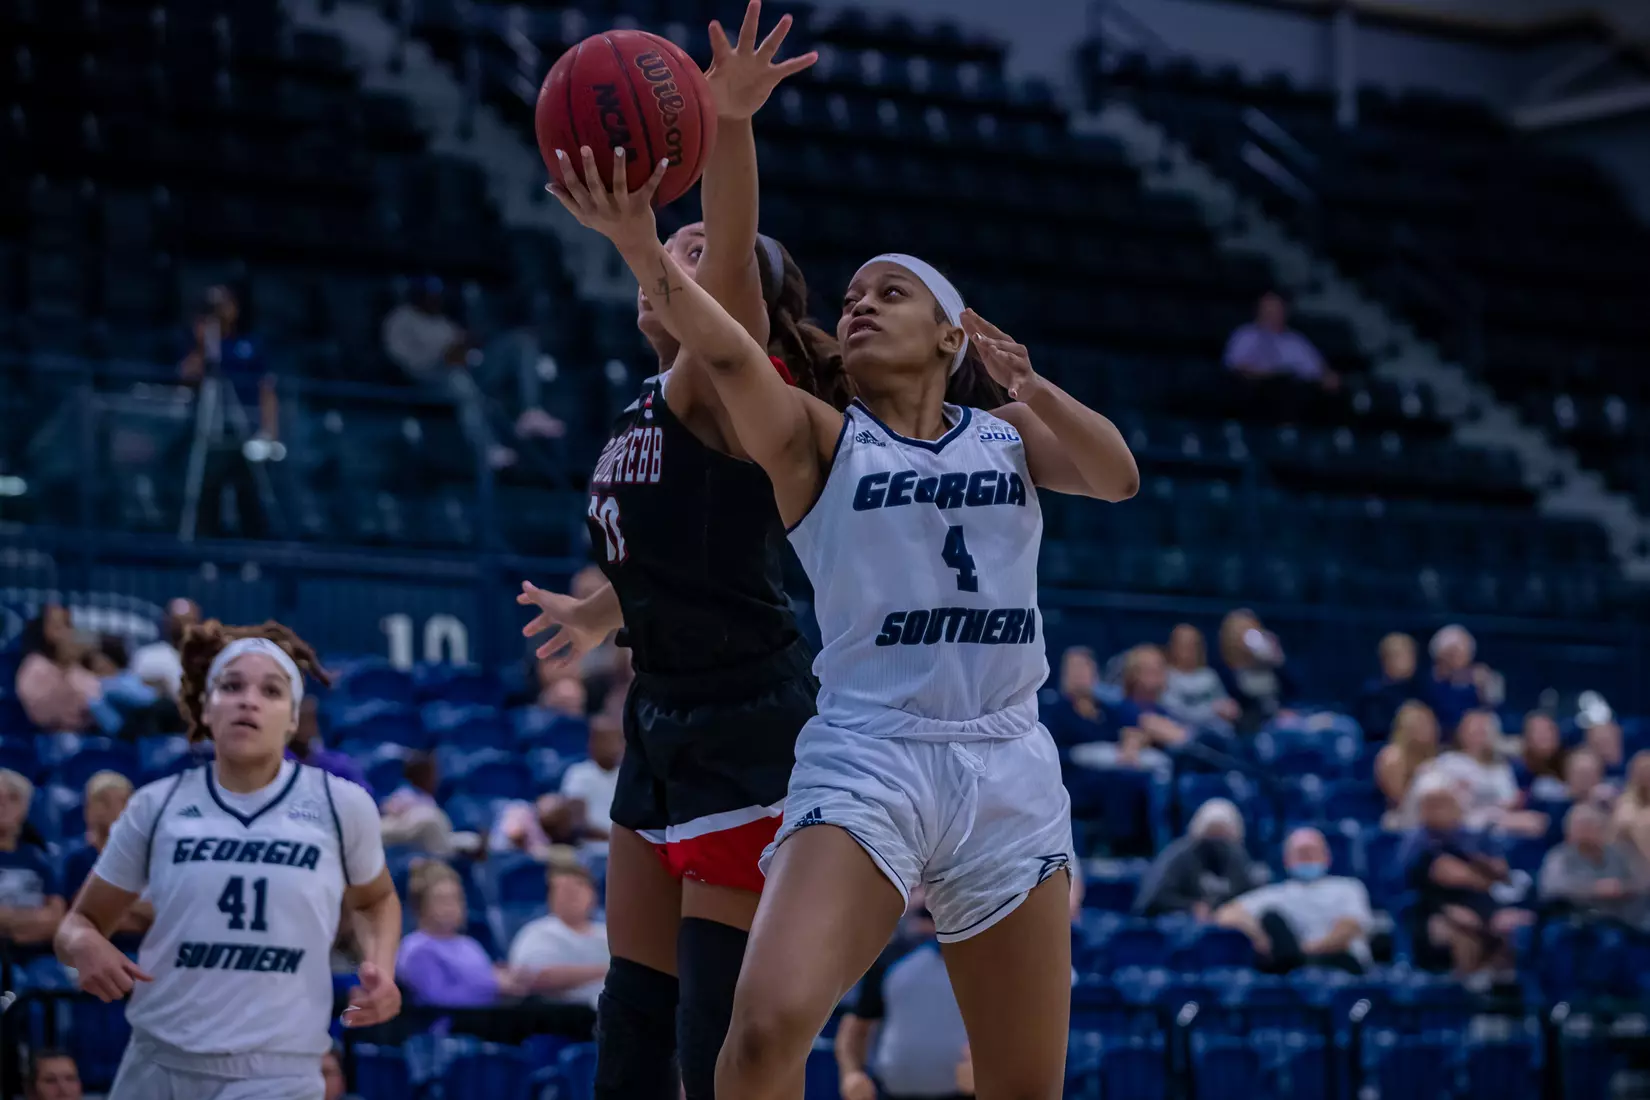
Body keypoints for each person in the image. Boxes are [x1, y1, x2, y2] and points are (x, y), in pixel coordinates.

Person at [548, 110, 1138, 1100]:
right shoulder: (825, 442)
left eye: (891, 292)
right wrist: (647, 241)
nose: (861, 304)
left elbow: (1116, 477)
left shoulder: (1007, 437)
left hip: (1007, 762)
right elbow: (733, 355)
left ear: (952, 333)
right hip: (870, 753)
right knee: (764, 1027)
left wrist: (1033, 383)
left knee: (1025, 1084)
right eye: (854, 294)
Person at [514, 9, 827, 1098]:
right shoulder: (649, 399)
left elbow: (730, 267)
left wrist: (726, 126)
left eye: (697, 254)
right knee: (631, 1027)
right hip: (664, 721)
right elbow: (672, 543)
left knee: (709, 1042)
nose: (680, 256)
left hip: (750, 727)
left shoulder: (725, 382)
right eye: (673, 249)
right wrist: (608, 611)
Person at [53, 621, 403, 1100]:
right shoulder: (157, 805)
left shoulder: (340, 804)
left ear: (293, 718)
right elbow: (77, 924)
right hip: (158, 1060)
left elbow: (377, 898)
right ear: (206, 707)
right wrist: (85, 945)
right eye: (231, 686)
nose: (248, 700)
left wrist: (381, 968)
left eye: (271, 690)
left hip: (277, 1069)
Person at [836, 893, 972, 1100]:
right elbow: (854, 1030)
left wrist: (990, 1072)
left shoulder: (985, 964)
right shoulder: (892, 957)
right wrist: (851, 1075)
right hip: (891, 1094)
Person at [1401, 774, 1532, 979]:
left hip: (1486, 905)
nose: (1440, 810)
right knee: (1462, 930)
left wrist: (1485, 879)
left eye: (1445, 804)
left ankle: (1503, 995)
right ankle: (1466, 993)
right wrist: (1480, 879)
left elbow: (1500, 872)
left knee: (1515, 925)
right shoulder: (1419, 842)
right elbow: (1450, 875)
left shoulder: (1472, 838)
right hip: (1436, 909)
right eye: (1433, 806)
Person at [1215, 826, 1372, 974]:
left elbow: (1350, 927)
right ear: (1287, 860)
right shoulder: (1277, 893)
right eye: (1300, 853)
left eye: (1311, 852)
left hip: (1340, 963)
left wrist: (1307, 951)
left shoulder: (1348, 888)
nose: (1306, 857)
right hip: (1293, 965)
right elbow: (1225, 914)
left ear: (1326, 857)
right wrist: (1259, 935)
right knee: (1271, 919)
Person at [397, 860, 524, 1007]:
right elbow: (437, 1000)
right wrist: (494, 986)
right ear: (420, 905)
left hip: (487, 1021)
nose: (450, 908)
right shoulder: (416, 949)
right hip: (446, 1026)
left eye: (456, 899)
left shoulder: (470, 944)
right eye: (441, 900)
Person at [60, 772, 153, 942]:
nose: (111, 808)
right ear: (89, 808)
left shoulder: (146, 858)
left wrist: (111, 902)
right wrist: (137, 913)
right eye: (102, 801)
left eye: (124, 800)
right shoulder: (78, 859)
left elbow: (159, 911)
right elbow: (85, 919)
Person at [507, 855, 611, 1007]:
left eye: (579, 887)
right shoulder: (537, 932)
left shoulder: (607, 934)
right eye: (564, 890)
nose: (572, 895)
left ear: (593, 895)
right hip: (561, 1015)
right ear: (550, 897)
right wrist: (608, 971)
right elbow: (532, 979)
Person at [1134, 798, 1262, 919]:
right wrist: (1190, 907)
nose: (1217, 843)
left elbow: (1252, 897)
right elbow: (1151, 900)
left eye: (1224, 835)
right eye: (1212, 833)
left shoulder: (1238, 859)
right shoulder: (1179, 857)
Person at [1428, 709, 1547, 836]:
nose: (1479, 734)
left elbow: (1508, 801)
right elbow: (1443, 803)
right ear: (1462, 733)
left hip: (1499, 821)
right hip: (1464, 824)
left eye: (1483, 730)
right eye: (1474, 730)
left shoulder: (1500, 767)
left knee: (1537, 822)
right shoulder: (1449, 761)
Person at [1538, 803, 1647, 926]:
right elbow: (1551, 887)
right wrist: (1595, 888)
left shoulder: (1617, 853)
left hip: (1619, 919)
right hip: (1574, 919)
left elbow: (1642, 882)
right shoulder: (1559, 856)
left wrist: (1623, 887)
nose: (1585, 833)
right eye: (1580, 827)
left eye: (1589, 827)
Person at [0, 768, 65, 951]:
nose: (3, 805)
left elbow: (56, 918)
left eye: (13, 798)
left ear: (25, 808)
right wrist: (32, 918)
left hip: (35, 954)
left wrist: (10, 925)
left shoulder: (39, 859)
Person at [1222, 290, 1337, 389]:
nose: (1272, 314)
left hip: (1297, 395)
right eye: (1268, 309)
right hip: (1257, 393)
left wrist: (1328, 378)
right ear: (1259, 311)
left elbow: (1319, 370)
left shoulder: (1296, 340)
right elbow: (1235, 366)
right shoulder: (1245, 335)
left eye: (1277, 309)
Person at [1214, 609, 1297, 734]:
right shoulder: (1226, 672)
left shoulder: (1271, 666)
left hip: (1281, 724)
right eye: (1240, 631)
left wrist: (1279, 660)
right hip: (1251, 730)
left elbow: (1294, 691)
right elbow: (1233, 706)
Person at [559, 710, 623, 848]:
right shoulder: (579, 774)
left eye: (616, 740)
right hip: (590, 848)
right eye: (606, 740)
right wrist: (610, 837)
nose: (613, 747)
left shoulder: (626, 776)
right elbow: (577, 824)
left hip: (621, 848)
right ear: (592, 743)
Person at [1161, 623, 1239, 731]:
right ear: (1173, 647)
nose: (1190, 651)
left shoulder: (1209, 675)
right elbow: (1177, 713)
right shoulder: (1167, 677)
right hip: (1188, 735)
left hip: (1220, 732)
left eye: (1194, 645)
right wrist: (1212, 711)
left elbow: (1225, 703)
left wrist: (1231, 709)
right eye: (1185, 645)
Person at [1375, 700, 1439, 825]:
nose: (1426, 729)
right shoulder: (1393, 757)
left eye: (1428, 724)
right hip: (1400, 817)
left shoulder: (1435, 757)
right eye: (1420, 724)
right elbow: (1399, 800)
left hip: (1432, 815)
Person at [1421, 624, 1491, 734]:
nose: (1459, 659)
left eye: (1465, 653)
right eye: (1453, 654)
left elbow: (1492, 709)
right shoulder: (1430, 683)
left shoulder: (1476, 680)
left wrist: (1483, 689)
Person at [130, 598, 201, 701]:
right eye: (178, 621)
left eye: (190, 621)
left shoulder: (208, 658)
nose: (185, 627)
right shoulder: (148, 656)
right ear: (167, 621)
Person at [1355, 632, 1418, 742]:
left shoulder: (1420, 690)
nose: (1410, 661)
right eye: (1402, 655)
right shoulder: (1373, 694)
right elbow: (1375, 731)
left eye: (1411, 655)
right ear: (1386, 660)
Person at [1513, 711, 1568, 801]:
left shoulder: (1569, 765)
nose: (1545, 736)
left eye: (1549, 730)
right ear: (1527, 738)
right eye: (1538, 732)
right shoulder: (1516, 770)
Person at [1613, 750, 1650, 863]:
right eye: (1641, 772)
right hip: (1632, 864)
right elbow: (1622, 825)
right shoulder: (1624, 804)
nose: (1645, 776)